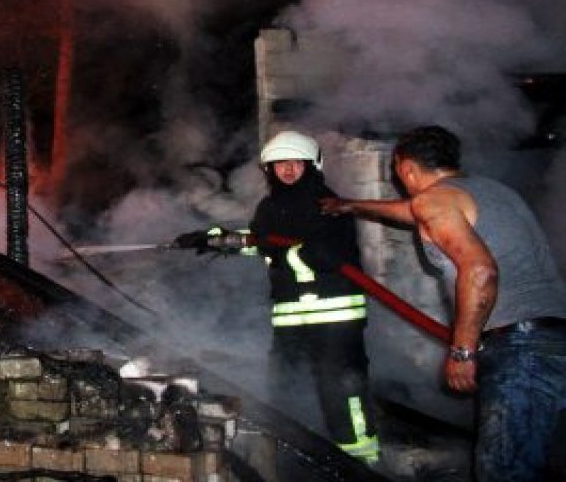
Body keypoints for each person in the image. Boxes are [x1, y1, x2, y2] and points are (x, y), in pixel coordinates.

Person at [323, 124, 566, 481]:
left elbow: (480, 271)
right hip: (554, 339)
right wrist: (352, 205)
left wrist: (463, 351)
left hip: (520, 351)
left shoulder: (434, 201)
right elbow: (411, 211)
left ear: (406, 168)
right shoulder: (492, 191)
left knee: (505, 471)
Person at [177, 130, 380, 463]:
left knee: (341, 390)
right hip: (290, 316)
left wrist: (281, 249)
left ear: (311, 165)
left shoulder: (329, 205)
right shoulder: (271, 206)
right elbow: (261, 241)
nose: (287, 170)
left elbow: (315, 253)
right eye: (279, 164)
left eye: (295, 163)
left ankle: (362, 460)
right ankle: (296, 459)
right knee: (285, 389)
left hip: (334, 316)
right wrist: (214, 239)